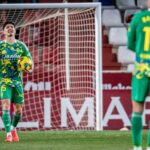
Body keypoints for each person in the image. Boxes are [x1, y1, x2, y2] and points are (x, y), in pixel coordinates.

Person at [0, 21, 33, 142]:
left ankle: (13, 128)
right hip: (4, 80)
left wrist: (29, 68)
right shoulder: (0, 46)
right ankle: (8, 134)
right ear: (4, 32)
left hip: (17, 81)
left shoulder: (21, 46)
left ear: (14, 30)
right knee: (5, 105)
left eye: (12, 27)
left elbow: (30, 61)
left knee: (19, 110)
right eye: (7, 27)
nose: (10, 29)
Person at [127, 0, 150, 150]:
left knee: (137, 108)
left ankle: (137, 147)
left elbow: (130, 44)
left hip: (142, 68)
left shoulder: (138, 18)